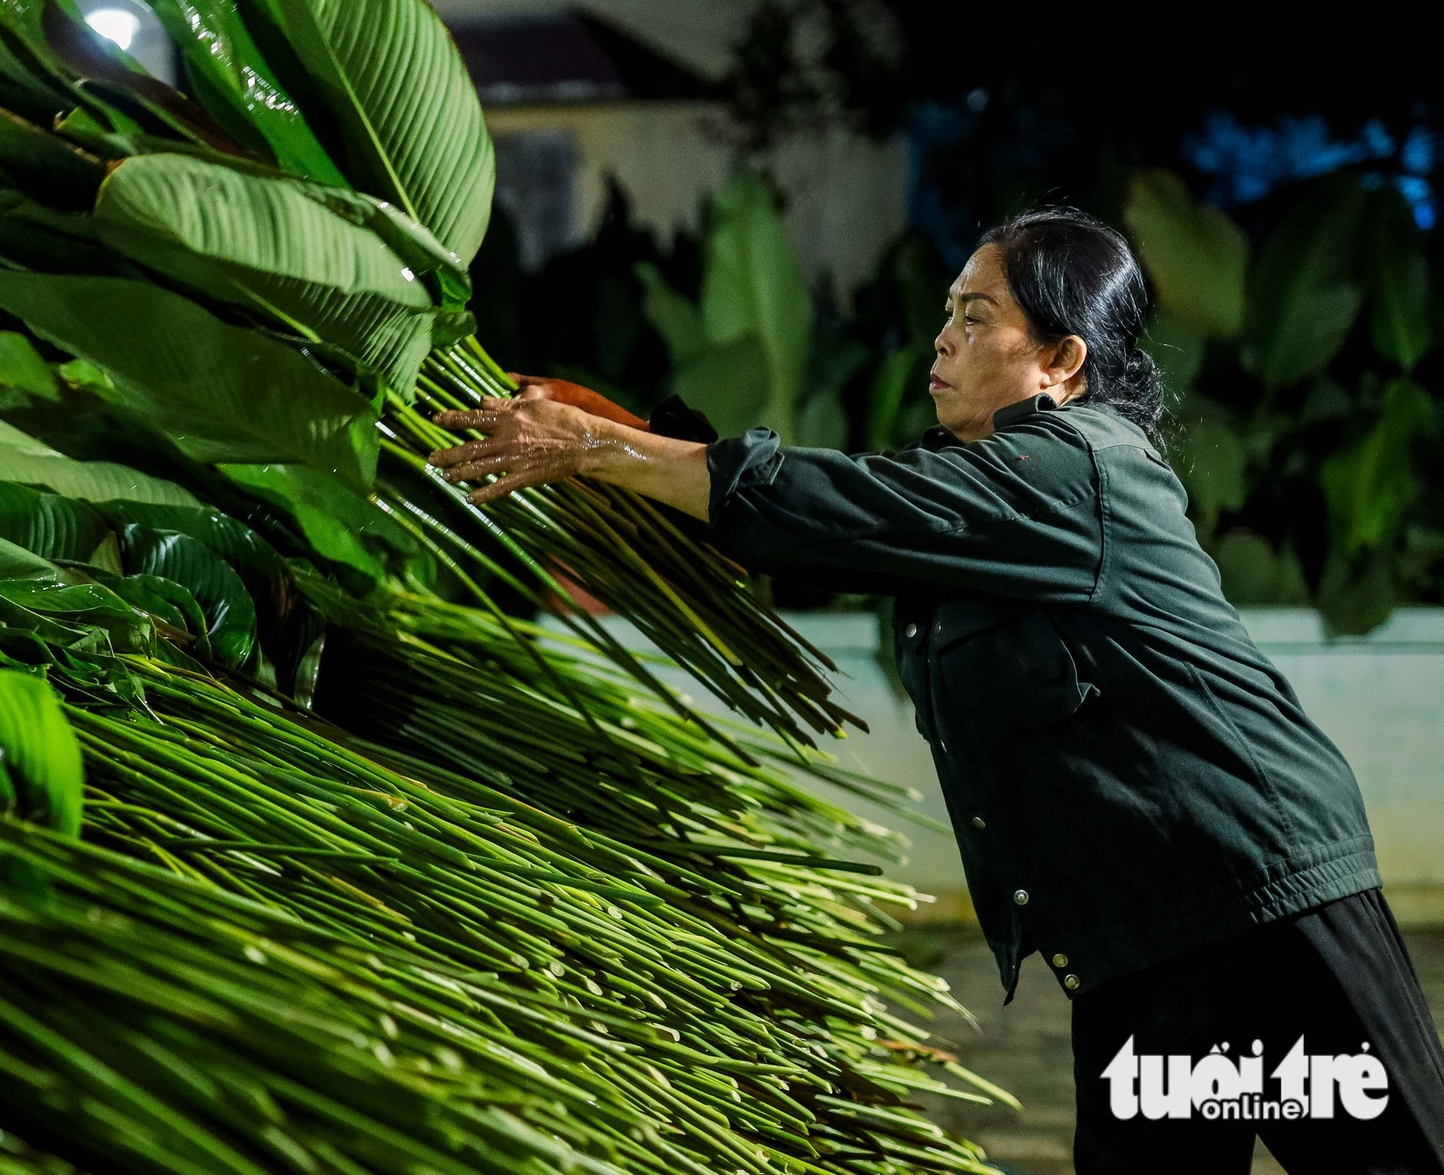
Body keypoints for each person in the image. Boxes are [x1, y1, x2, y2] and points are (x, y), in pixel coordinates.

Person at [428, 208, 1444, 1173]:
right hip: (1134, 934)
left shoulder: (1076, 470)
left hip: (1259, 900)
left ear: (1060, 360)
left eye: (975, 316)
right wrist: (605, 435)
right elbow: (818, 513)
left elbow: (837, 505)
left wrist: (595, 446)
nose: (941, 337)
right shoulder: (975, 481)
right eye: (947, 312)